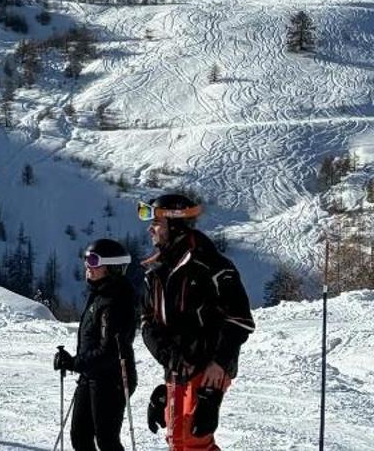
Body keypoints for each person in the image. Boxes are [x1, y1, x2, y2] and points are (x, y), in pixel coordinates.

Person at [138, 192, 254, 451]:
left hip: (207, 366)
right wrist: (167, 358)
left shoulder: (211, 265)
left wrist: (220, 363)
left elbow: (239, 319)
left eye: (156, 222)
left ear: (175, 225)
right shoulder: (155, 272)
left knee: (194, 439)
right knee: (177, 438)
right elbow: (147, 322)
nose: (150, 229)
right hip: (176, 366)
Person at [54, 238, 138, 451]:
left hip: (111, 379)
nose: (87, 266)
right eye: (86, 259)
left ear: (111, 267)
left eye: (93, 261)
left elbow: (109, 350)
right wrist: (76, 363)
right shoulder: (100, 293)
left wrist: (74, 363)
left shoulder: (116, 300)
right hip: (91, 375)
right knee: (80, 436)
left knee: (106, 440)